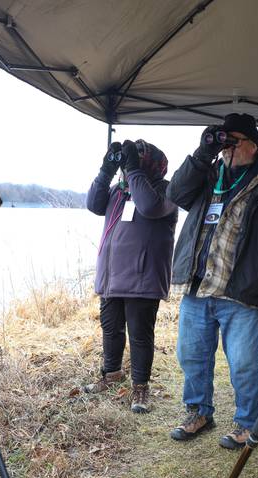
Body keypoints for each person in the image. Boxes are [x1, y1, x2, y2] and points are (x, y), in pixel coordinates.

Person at [166, 113, 258, 449]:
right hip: (199, 287)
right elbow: (175, 193)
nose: (227, 148)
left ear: (253, 146)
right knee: (191, 355)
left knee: (243, 362)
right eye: (223, 141)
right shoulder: (209, 173)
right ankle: (198, 412)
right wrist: (202, 154)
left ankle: (248, 423)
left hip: (243, 291)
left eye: (234, 141)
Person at [84, 139, 178, 414]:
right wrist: (106, 170)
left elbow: (148, 207)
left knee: (139, 335)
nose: (127, 167)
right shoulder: (119, 191)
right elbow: (93, 204)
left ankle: (140, 387)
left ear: (149, 164)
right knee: (111, 329)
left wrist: (134, 169)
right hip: (112, 277)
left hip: (142, 279)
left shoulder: (166, 191)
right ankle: (111, 374)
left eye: (135, 161)